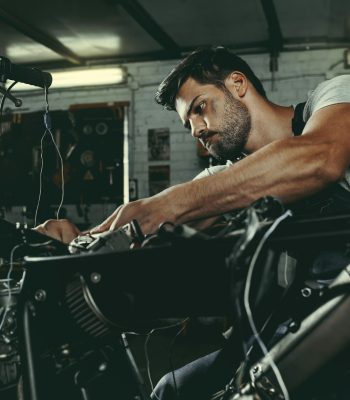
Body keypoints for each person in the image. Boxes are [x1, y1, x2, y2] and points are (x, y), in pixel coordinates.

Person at [34, 47, 350, 398]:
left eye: (200, 107)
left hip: (339, 326)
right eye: (188, 124)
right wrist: (80, 240)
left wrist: (170, 205)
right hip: (299, 325)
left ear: (237, 83)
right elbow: (150, 211)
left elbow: (321, 157)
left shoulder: (332, 97)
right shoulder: (227, 179)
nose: (196, 130)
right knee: (171, 390)